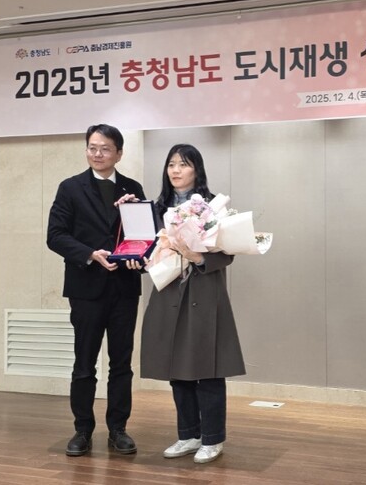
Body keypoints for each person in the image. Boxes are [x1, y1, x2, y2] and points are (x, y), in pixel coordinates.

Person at [140, 143, 246, 464]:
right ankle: (188, 434)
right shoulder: (156, 207)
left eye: (183, 164)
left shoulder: (213, 207)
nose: (176, 170)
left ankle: (212, 439)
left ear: (196, 170)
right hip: (169, 292)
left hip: (204, 292)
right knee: (178, 368)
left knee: (208, 368)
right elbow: (144, 248)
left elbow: (228, 252)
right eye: (171, 164)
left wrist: (197, 257)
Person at [47, 124, 145, 457]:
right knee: (84, 364)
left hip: (124, 287)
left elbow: (142, 236)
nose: (97, 154)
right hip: (86, 287)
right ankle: (82, 430)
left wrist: (137, 251)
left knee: (122, 364)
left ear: (119, 153)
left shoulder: (132, 188)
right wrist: (90, 253)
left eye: (105, 148)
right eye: (92, 147)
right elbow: (55, 235)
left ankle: (118, 429)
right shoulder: (70, 188)